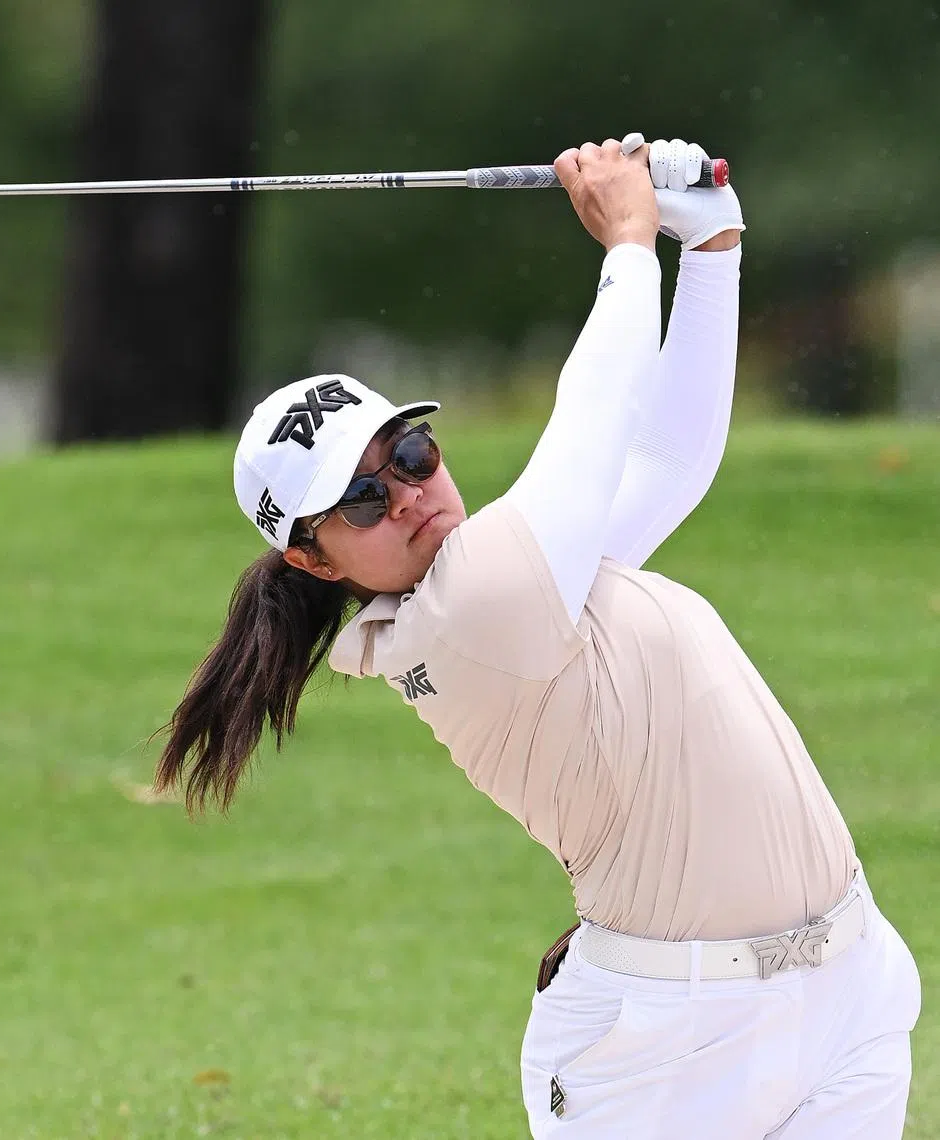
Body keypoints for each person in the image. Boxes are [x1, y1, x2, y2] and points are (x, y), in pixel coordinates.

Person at [154, 136, 922, 1138]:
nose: (411, 495)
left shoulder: (532, 573)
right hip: (673, 1052)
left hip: (843, 987)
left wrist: (714, 247)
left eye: (412, 453)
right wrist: (629, 240)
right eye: (361, 499)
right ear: (315, 560)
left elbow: (670, 455)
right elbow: (596, 415)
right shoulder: (471, 608)